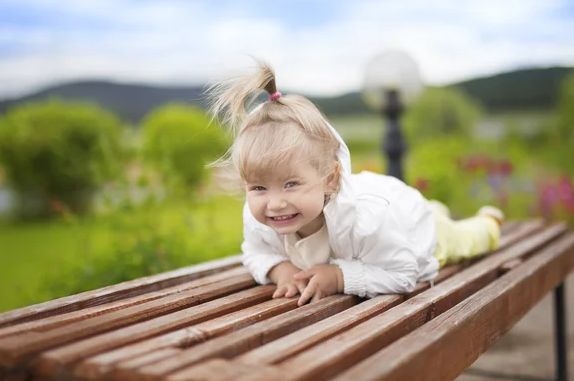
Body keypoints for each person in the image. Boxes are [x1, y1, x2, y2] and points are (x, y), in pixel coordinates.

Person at [208, 60, 504, 307]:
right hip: (390, 222)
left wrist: (339, 277)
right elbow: (255, 252)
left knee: (462, 239)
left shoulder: (364, 220)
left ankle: (488, 222)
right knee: (432, 213)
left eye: (290, 184)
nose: (273, 203)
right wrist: (280, 270)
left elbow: (404, 273)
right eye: (258, 188)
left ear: (330, 178)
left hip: (411, 226)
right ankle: (437, 208)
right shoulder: (260, 218)